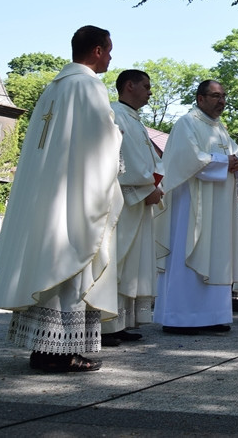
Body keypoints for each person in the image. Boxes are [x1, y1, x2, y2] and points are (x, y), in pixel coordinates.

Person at [0, 25, 122, 373]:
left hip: (46, 195)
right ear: (96, 51)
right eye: (108, 50)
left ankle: (42, 348)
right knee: (71, 259)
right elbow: (101, 144)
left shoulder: (53, 89)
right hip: (72, 195)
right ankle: (59, 352)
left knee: (49, 259)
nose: (110, 57)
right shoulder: (89, 86)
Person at [155, 80, 238, 335]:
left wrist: (234, 164)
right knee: (187, 250)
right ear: (200, 98)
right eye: (216, 96)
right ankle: (181, 317)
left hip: (219, 207)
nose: (222, 101)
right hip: (192, 205)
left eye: (224, 96)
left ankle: (213, 315)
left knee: (217, 254)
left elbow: (231, 158)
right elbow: (188, 159)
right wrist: (223, 162)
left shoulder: (221, 130)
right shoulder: (187, 123)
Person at [100, 70, 165, 347]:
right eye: (146, 86)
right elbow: (122, 158)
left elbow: (151, 159)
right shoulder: (115, 113)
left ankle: (122, 322)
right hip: (123, 201)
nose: (150, 92)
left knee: (131, 265)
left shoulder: (135, 120)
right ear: (129, 86)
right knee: (118, 260)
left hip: (137, 200)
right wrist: (148, 185)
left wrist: (156, 181)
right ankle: (106, 325)